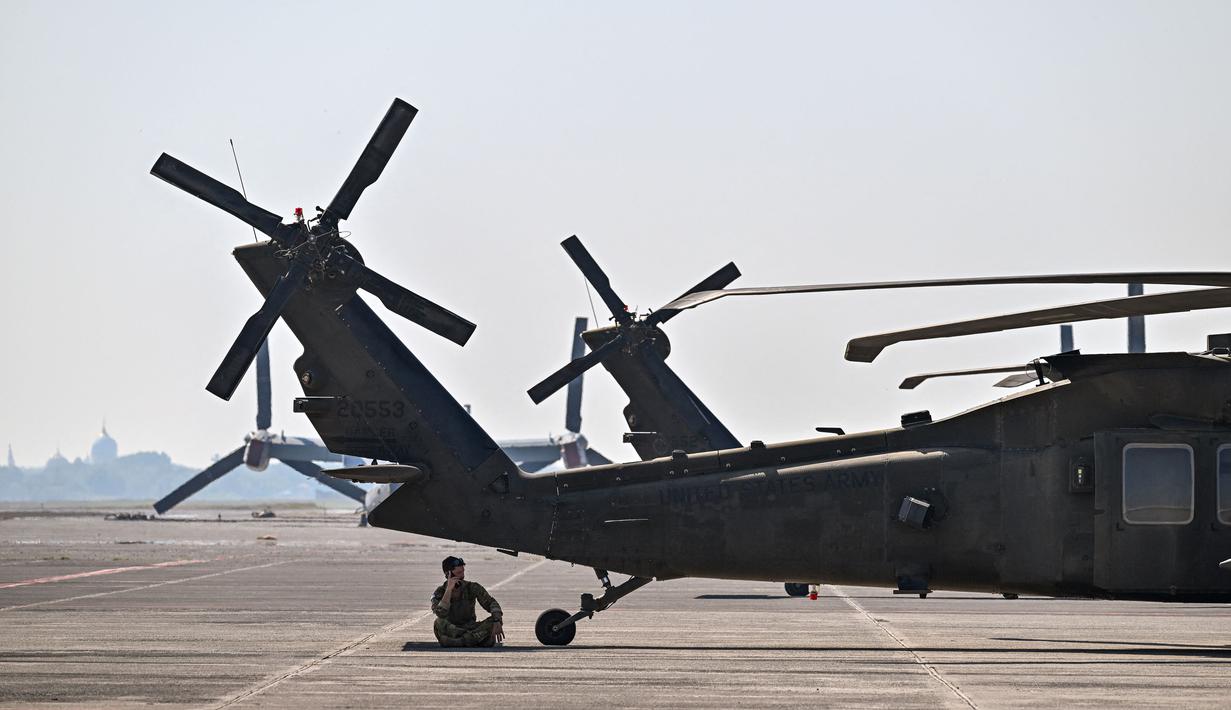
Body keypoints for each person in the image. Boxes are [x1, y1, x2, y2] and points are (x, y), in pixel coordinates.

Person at [430, 556, 505, 647]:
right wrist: (449, 590)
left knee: (494, 621)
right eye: (459, 573)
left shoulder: (472, 587)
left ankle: (459, 642)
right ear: (448, 574)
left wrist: (497, 620)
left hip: (470, 627)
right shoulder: (439, 592)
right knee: (438, 623)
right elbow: (441, 614)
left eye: (463, 572)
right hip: (451, 629)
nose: (462, 575)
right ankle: (475, 639)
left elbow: (491, 603)